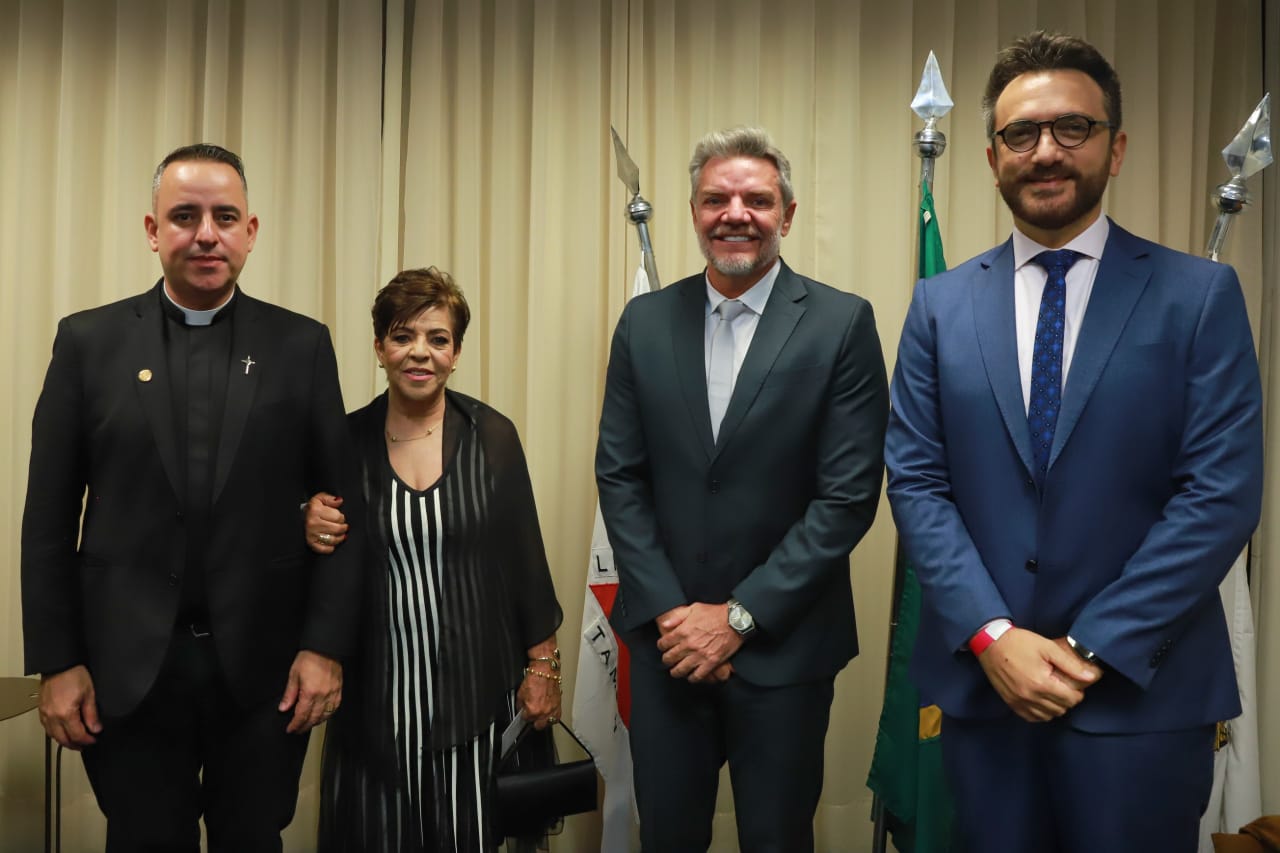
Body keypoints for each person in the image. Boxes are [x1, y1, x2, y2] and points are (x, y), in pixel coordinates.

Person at [884, 31, 1264, 853]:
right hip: (988, 698)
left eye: (1072, 128)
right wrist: (993, 636)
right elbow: (915, 481)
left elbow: (1221, 495)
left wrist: (1088, 646)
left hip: (1143, 698)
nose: (1046, 151)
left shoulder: (1199, 297)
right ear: (993, 158)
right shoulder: (940, 307)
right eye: (1021, 133)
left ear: (1115, 148)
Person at [20, 143, 363, 851]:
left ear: (250, 231)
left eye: (224, 217)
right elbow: (47, 521)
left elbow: (343, 511)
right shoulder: (87, 343)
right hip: (126, 673)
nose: (206, 234)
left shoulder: (302, 346)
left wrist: (324, 647)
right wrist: (57, 661)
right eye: (184, 216)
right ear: (153, 231)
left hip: (267, 675)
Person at [594, 126, 890, 851]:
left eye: (757, 199)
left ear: (786, 214)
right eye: (716, 199)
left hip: (786, 648)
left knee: (777, 839)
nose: (736, 214)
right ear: (694, 211)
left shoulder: (841, 323)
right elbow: (621, 476)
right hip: (667, 649)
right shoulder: (644, 322)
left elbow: (847, 497)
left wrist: (737, 617)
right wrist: (675, 616)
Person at [303, 266, 563, 853]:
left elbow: (527, 564)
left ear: (456, 353)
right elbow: (306, 550)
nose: (420, 352)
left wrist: (544, 670)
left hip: (477, 701)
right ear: (379, 348)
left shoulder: (492, 437)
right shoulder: (344, 444)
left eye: (437, 338)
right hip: (374, 710)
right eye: (403, 336)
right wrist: (305, 517)